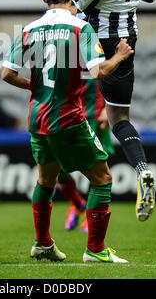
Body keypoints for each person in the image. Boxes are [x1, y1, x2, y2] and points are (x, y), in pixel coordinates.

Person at [2, 0, 133, 263]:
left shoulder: (29, 29)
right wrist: (120, 55)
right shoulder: (79, 28)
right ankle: (96, 249)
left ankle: (42, 243)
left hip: (37, 118)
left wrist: (31, 85)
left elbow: (7, 73)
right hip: (69, 118)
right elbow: (98, 71)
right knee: (102, 179)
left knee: (45, 182)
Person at [63, 0, 156, 222]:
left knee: (64, 102)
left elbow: (81, 2)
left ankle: (83, 178)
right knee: (118, 116)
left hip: (97, 38)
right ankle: (142, 169)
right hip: (127, 38)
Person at [58, 83, 114, 233]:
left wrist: (109, 107)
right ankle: (77, 204)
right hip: (68, 117)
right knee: (57, 167)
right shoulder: (64, 59)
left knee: (98, 169)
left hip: (95, 118)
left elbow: (115, 78)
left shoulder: (100, 58)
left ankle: (91, 216)